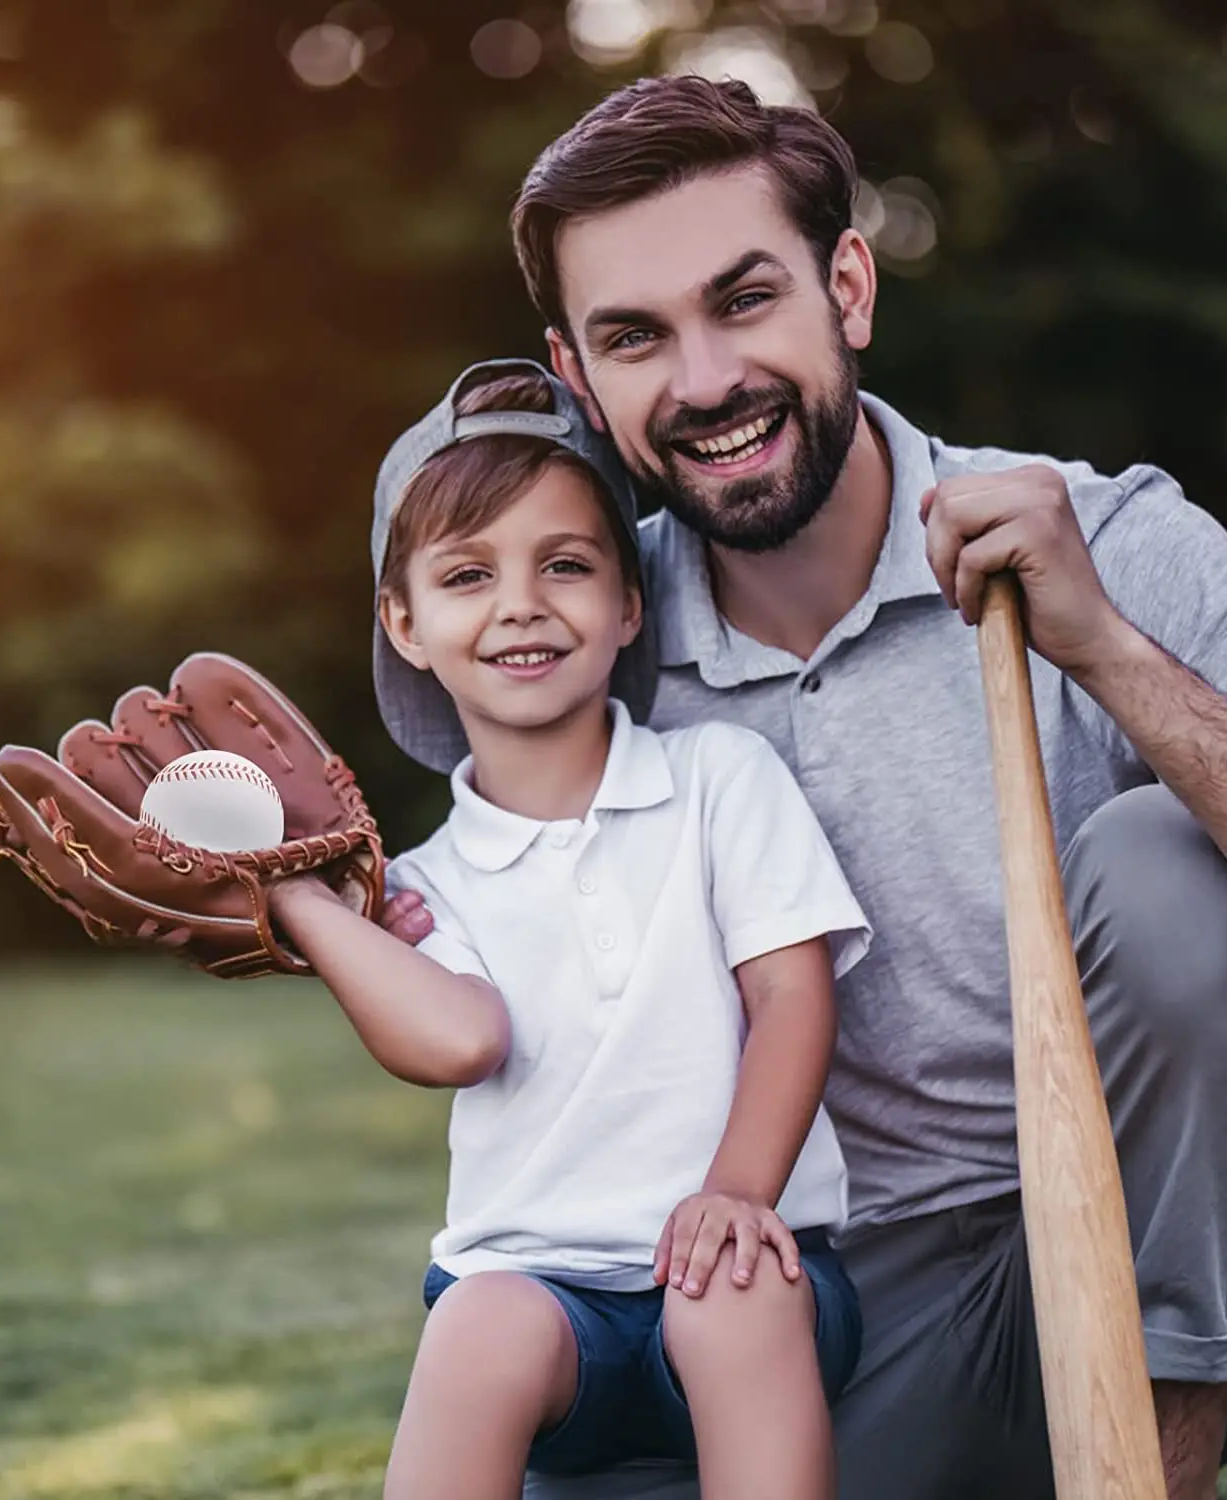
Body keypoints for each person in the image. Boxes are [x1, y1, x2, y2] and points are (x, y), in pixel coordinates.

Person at [382, 76, 1227, 1500]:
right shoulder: (588, 624)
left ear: (849, 284)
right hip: (802, 1302)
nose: (707, 378)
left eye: (745, 298)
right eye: (636, 337)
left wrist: (1106, 649)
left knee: (1169, 864)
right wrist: (270, 887)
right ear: (578, 375)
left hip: (1153, 1266)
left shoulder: (1113, 540)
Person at [271, 357, 871, 1500]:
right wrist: (300, 901)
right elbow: (456, 1043)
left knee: (731, 1295)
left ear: (629, 600)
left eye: (566, 564)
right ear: (404, 622)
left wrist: (738, 1190)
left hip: (753, 1270)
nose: (520, 605)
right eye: (465, 575)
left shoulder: (717, 781)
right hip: (549, 1310)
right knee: (481, 1326)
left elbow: (794, 996)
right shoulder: (424, 885)